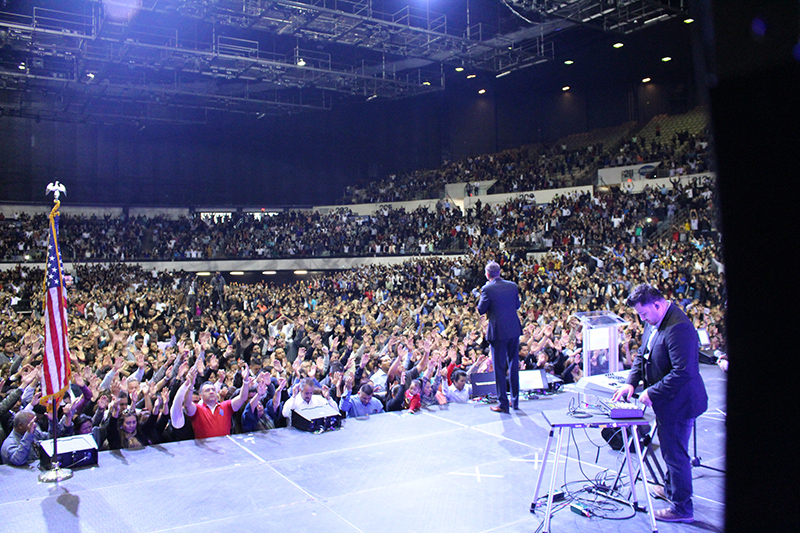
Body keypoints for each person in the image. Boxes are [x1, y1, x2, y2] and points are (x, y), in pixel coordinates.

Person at [612, 283, 708, 523]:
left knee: (675, 455)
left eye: (644, 313)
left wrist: (652, 392)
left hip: (681, 402)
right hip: (668, 401)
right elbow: (642, 356)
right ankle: (671, 489)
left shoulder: (679, 327)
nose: (642, 319)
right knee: (669, 451)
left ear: (657, 305)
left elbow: (683, 372)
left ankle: (682, 508)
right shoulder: (654, 321)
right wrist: (631, 383)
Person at [476, 260, 522, 413]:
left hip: (498, 332)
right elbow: (517, 305)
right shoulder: (512, 286)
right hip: (513, 329)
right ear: (499, 272)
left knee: (499, 368)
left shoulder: (487, 288)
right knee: (513, 365)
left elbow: (481, 309)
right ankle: (515, 401)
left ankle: (503, 403)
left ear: (487, 274)